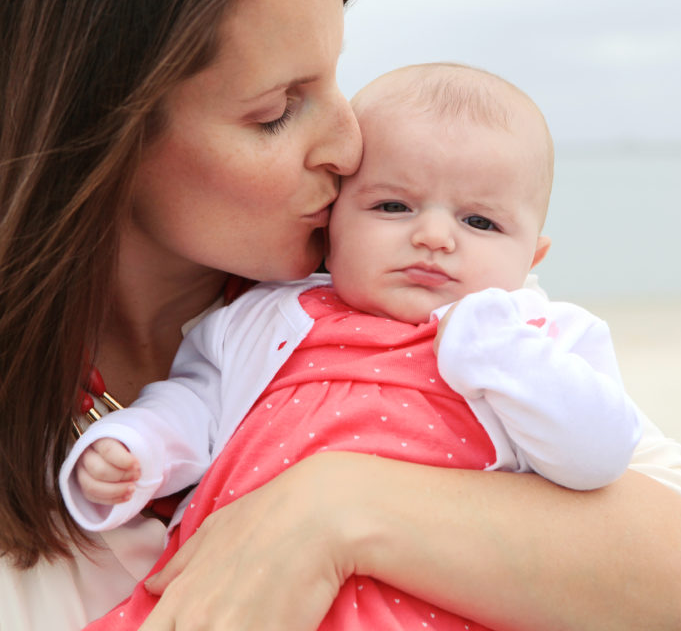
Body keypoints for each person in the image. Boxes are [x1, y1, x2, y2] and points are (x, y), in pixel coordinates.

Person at [0, 0, 681, 631]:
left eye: (339, 77)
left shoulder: (430, 313)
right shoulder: (256, 334)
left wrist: (338, 509)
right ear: (97, 137)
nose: (348, 141)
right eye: (276, 112)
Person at [60, 63, 646, 629]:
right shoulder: (268, 315)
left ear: (532, 258)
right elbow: (196, 405)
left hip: (429, 607)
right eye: (393, 206)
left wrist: (502, 353)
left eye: (481, 223)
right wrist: (138, 447)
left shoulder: (537, 334)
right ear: (332, 226)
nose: (434, 236)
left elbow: (599, 456)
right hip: (236, 597)